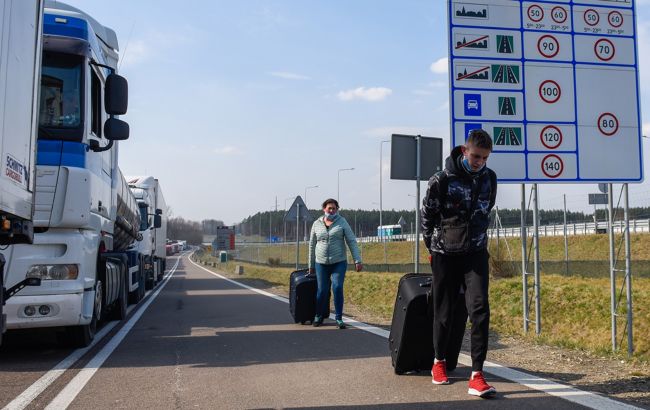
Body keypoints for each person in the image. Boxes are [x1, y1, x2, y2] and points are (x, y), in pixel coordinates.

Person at [421, 129, 498, 398]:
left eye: (485, 158)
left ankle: (477, 375)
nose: (479, 162)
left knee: (479, 311)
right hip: (445, 253)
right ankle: (439, 362)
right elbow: (427, 217)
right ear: (465, 151)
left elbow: (486, 210)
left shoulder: (489, 178)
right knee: (444, 311)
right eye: (476, 156)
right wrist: (431, 248)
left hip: (475, 253)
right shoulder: (441, 180)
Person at [308, 198, 363, 329]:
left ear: (337, 210)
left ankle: (339, 318)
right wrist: (310, 265)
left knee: (337, 287)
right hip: (320, 263)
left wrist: (357, 260)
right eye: (329, 208)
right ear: (324, 209)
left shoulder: (342, 222)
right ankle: (318, 315)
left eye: (334, 208)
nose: (332, 211)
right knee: (322, 290)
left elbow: (351, 241)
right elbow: (311, 245)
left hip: (339, 262)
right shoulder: (316, 224)